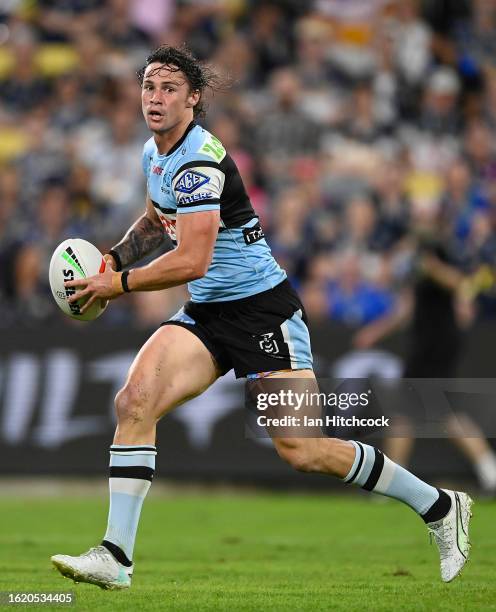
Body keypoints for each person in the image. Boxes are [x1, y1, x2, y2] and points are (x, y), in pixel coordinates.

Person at [51, 45, 472, 590]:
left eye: (169, 88)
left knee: (304, 449)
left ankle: (439, 507)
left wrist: (117, 283)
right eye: (149, 86)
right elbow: (158, 222)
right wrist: (115, 257)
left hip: (261, 313)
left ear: (194, 98)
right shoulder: (155, 155)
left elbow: (192, 258)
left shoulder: (200, 160)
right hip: (207, 313)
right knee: (134, 401)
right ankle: (115, 555)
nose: (155, 98)